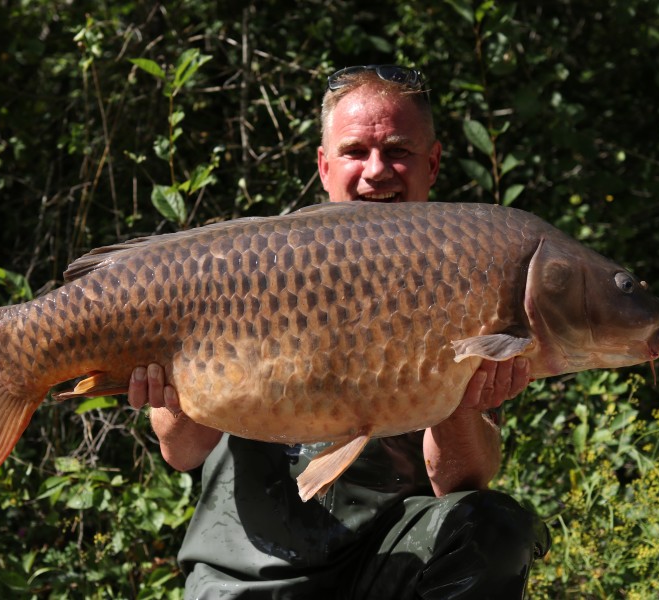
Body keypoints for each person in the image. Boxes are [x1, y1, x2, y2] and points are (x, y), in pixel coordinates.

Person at [128, 65, 550, 598]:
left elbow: (458, 484)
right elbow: (181, 452)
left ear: (433, 163)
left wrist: (463, 397)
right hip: (247, 577)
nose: (377, 172)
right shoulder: (246, 267)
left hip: (385, 567)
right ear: (325, 166)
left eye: (397, 150)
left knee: (494, 525)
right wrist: (169, 391)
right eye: (355, 152)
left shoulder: (466, 274)